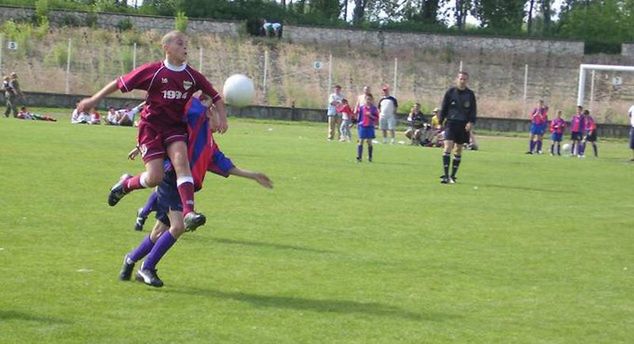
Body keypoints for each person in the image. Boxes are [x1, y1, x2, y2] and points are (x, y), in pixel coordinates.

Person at [77, 30, 228, 231]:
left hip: (175, 129)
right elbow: (120, 83)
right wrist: (94, 99)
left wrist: (222, 118)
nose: (185, 47)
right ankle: (125, 185)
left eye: (186, 44)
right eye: (180, 43)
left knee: (181, 162)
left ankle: (189, 212)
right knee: (154, 177)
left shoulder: (192, 76)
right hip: (151, 129)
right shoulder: (154, 71)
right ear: (166, 48)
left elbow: (215, 96)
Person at [119, 95, 272, 287]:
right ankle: (146, 268)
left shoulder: (210, 143)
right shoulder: (194, 124)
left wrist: (254, 175)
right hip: (171, 179)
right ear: (209, 112)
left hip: (181, 187)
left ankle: (130, 260)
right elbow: (183, 111)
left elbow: (226, 166)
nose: (224, 121)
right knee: (178, 227)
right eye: (221, 115)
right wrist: (206, 101)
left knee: (159, 232)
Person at [439, 71, 477, 184]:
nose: (462, 81)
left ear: (467, 80)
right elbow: (444, 107)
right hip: (451, 123)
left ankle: (453, 176)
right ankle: (445, 175)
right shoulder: (450, 92)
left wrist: (471, 122)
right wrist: (440, 121)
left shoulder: (470, 94)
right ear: (457, 79)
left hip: (463, 125)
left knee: (459, 149)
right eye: (461, 78)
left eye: (464, 79)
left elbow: (473, 110)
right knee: (447, 147)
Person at [356, 93, 379, 162]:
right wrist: (358, 124)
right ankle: (359, 157)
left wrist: (371, 115)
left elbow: (376, 118)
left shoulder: (374, 109)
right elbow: (359, 117)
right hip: (362, 126)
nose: (368, 101)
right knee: (361, 141)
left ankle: (370, 157)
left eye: (370, 99)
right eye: (367, 99)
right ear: (365, 100)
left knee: (369, 142)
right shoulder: (362, 108)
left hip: (370, 126)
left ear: (372, 100)